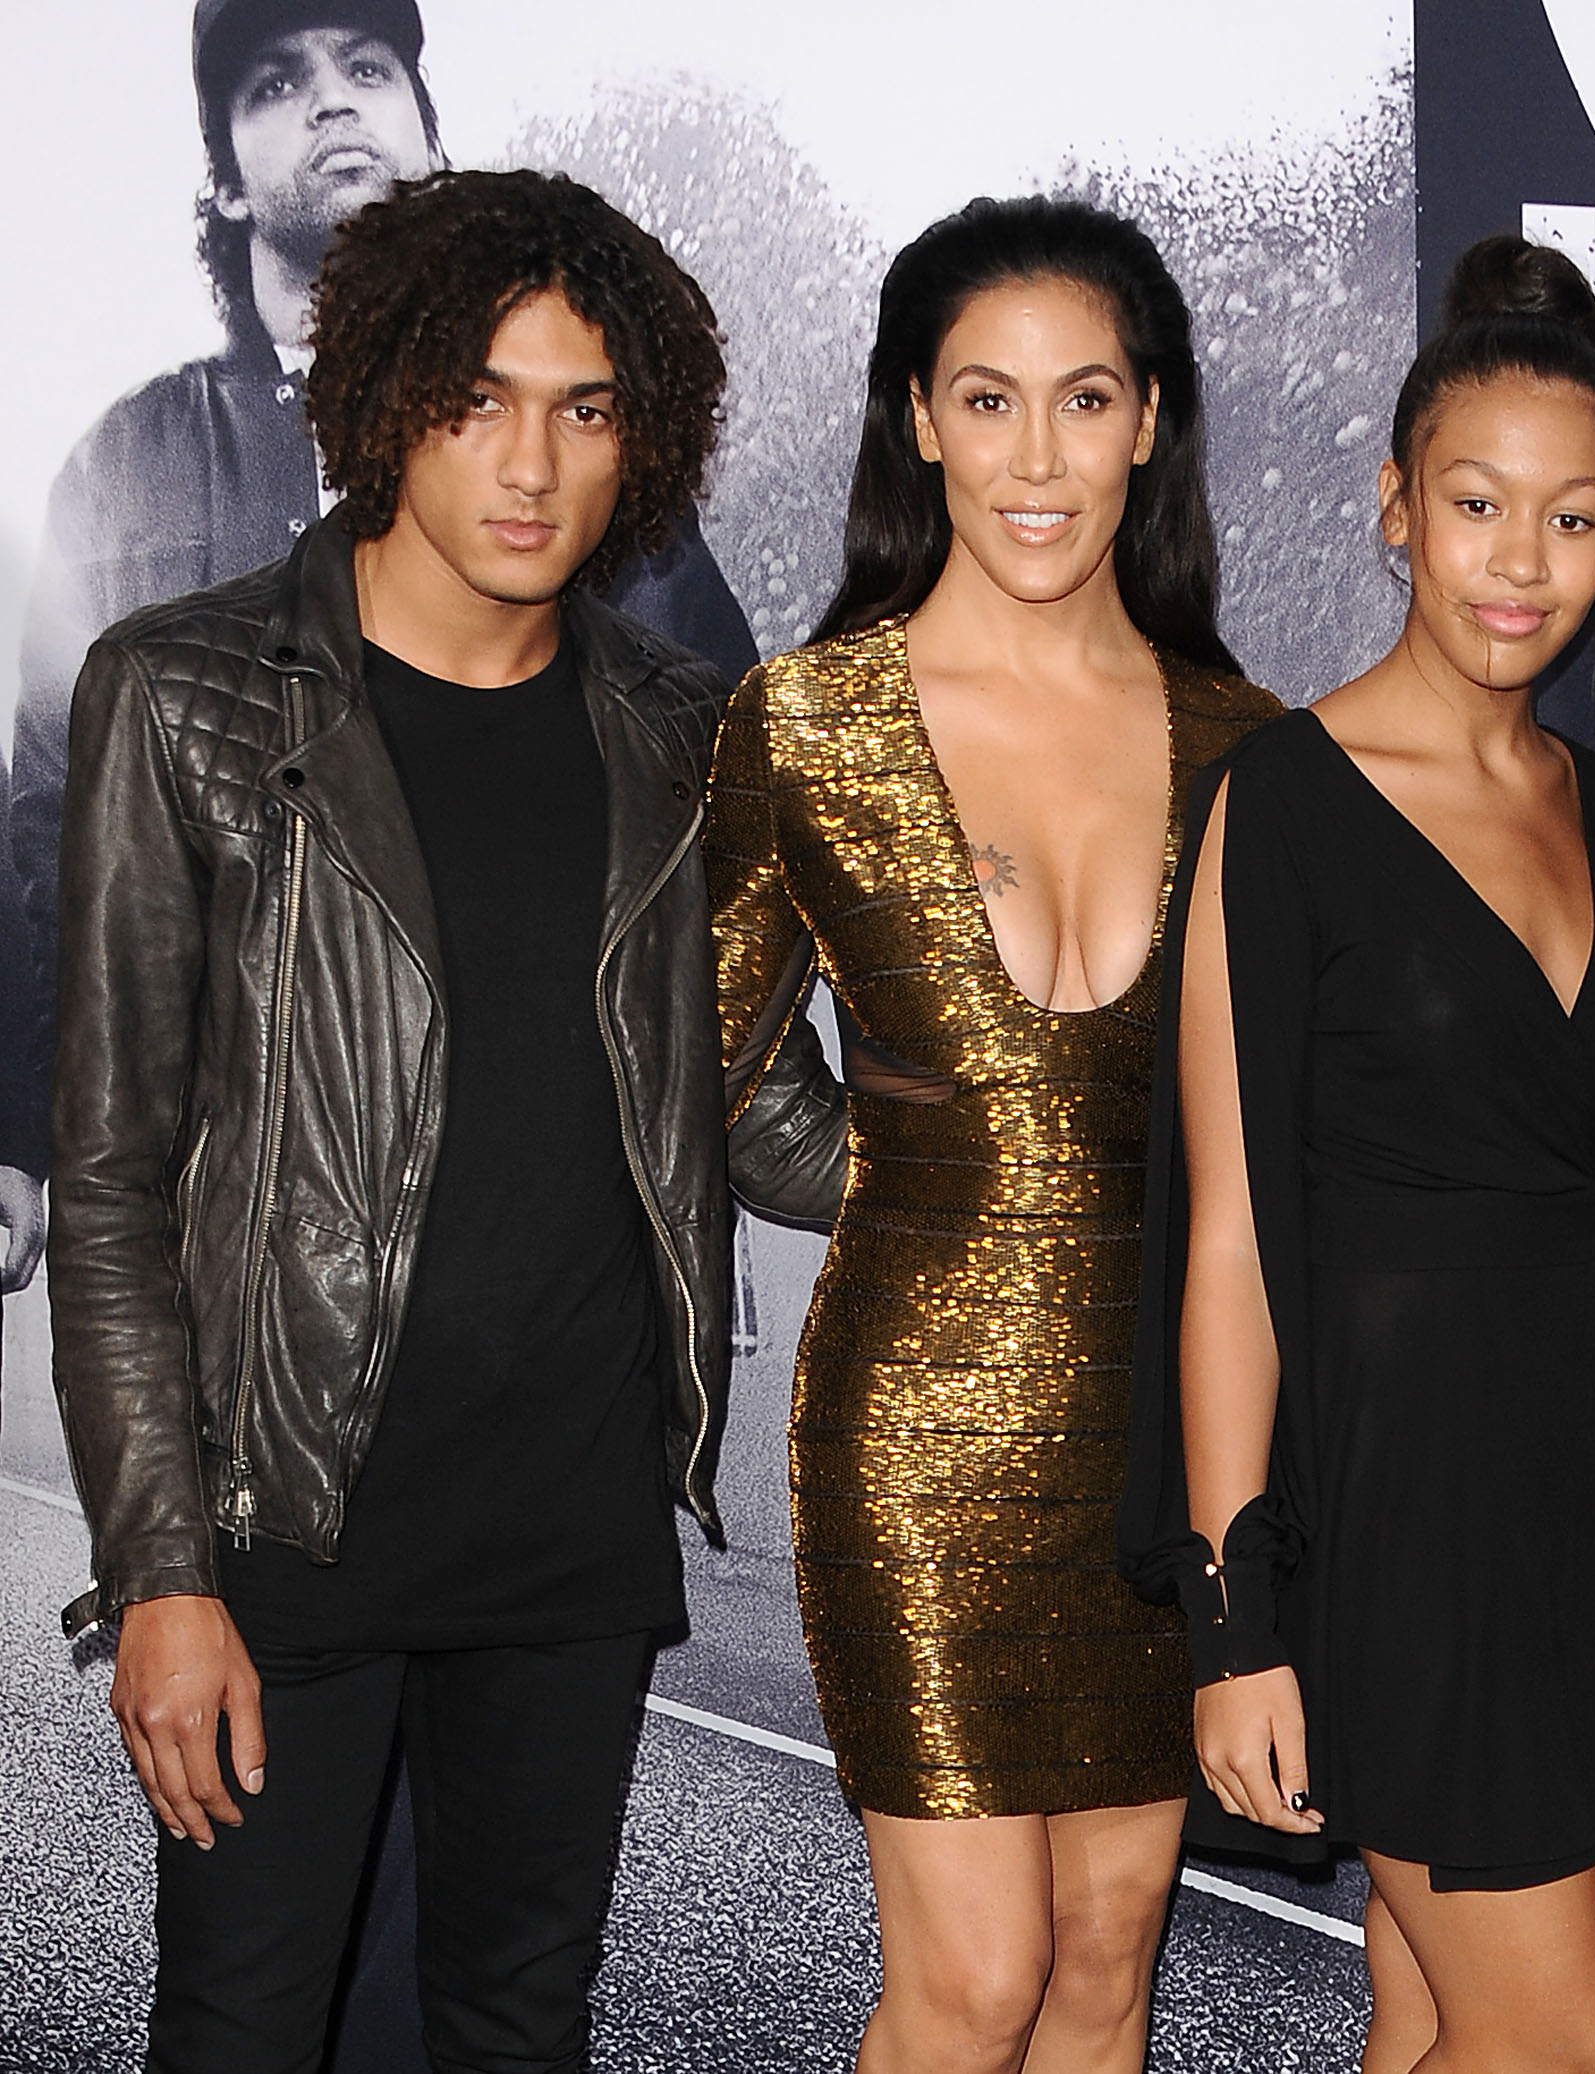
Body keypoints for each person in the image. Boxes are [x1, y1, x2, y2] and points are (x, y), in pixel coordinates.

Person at [51, 167, 738, 2073]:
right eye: (476, 398)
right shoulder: (184, 693)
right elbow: (110, 1183)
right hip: (288, 1531)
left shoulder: (682, 728)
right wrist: (164, 1574)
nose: (531, 463)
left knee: (519, 2026)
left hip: (570, 1525)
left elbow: (751, 1110)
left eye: (584, 409)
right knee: (245, 2027)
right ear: (381, 401)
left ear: (641, 440)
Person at [706, 195, 1278, 2074]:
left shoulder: (1248, 745)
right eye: (990, 399)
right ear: (919, 421)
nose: (1040, 458)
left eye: (1087, 399)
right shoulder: (809, 721)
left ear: (1150, 421)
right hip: (919, 1437)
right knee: (969, 1986)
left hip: (1162, 1442)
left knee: (1108, 1966)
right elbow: (701, 1069)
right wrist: (915, 1176)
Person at [1121, 232, 1595, 2074]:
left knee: (1432, 2014)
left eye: (1577, 519)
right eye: (1477, 504)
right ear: (1394, 508)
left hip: (1569, 1480)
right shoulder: (1282, 803)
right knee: (1562, 2035)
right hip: (1395, 1499)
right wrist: (1230, 1617)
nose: (1525, 565)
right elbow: (1225, 1238)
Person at [1, 0, 753, 1252]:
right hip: (226, 1211)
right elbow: (48, 809)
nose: (333, 99)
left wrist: (689, 1136)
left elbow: (731, 780)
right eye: (276, 83)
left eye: (367, 66)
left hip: (539, 1205)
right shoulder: (128, 469)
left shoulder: (567, 441)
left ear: (425, 127)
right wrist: (20, 1122)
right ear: (227, 183)